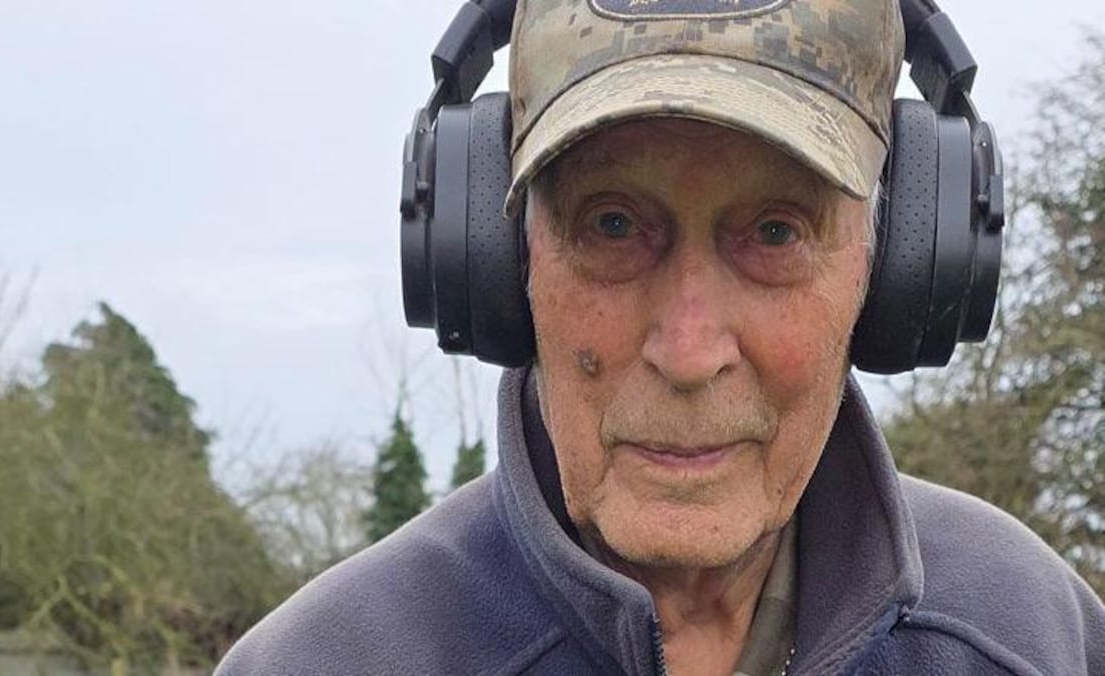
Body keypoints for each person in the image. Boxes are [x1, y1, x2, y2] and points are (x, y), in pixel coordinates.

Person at [218, 0, 1105, 674]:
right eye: (611, 225)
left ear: (899, 268)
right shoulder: (321, 662)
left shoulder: (1034, 640)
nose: (687, 354)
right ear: (497, 259)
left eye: (775, 233)